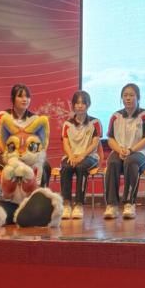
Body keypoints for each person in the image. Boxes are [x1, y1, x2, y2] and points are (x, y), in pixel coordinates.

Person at [0, 83, 51, 192]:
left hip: (26, 154)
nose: (24, 99)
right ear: (13, 98)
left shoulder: (34, 119)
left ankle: (39, 194)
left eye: (27, 96)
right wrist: (12, 155)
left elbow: (38, 143)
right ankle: (15, 198)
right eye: (20, 96)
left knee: (45, 165)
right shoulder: (2, 115)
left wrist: (33, 156)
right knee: (17, 167)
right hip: (3, 154)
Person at [104, 83, 145, 220]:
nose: (128, 98)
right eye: (125, 95)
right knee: (112, 162)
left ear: (138, 97)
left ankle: (129, 203)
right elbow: (110, 139)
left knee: (130, 161)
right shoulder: (116, 116)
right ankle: (112, 205)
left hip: (140, 153)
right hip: (121, 151)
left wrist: (131, 150)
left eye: (131, 95)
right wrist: (119, 150)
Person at [59, 91, 101, 220]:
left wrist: (82, 155)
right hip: (72, 156)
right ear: (73, 105)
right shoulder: (67, 124)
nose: (80, 106)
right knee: (66, 168)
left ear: (88, 105)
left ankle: (79, 205)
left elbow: (95, 143)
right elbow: (65, 143)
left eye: (83, 103)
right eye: (77, 103)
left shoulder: (95, 122)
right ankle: (66, 204)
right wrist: (71, 156)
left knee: (81, 167)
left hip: (90, 157)